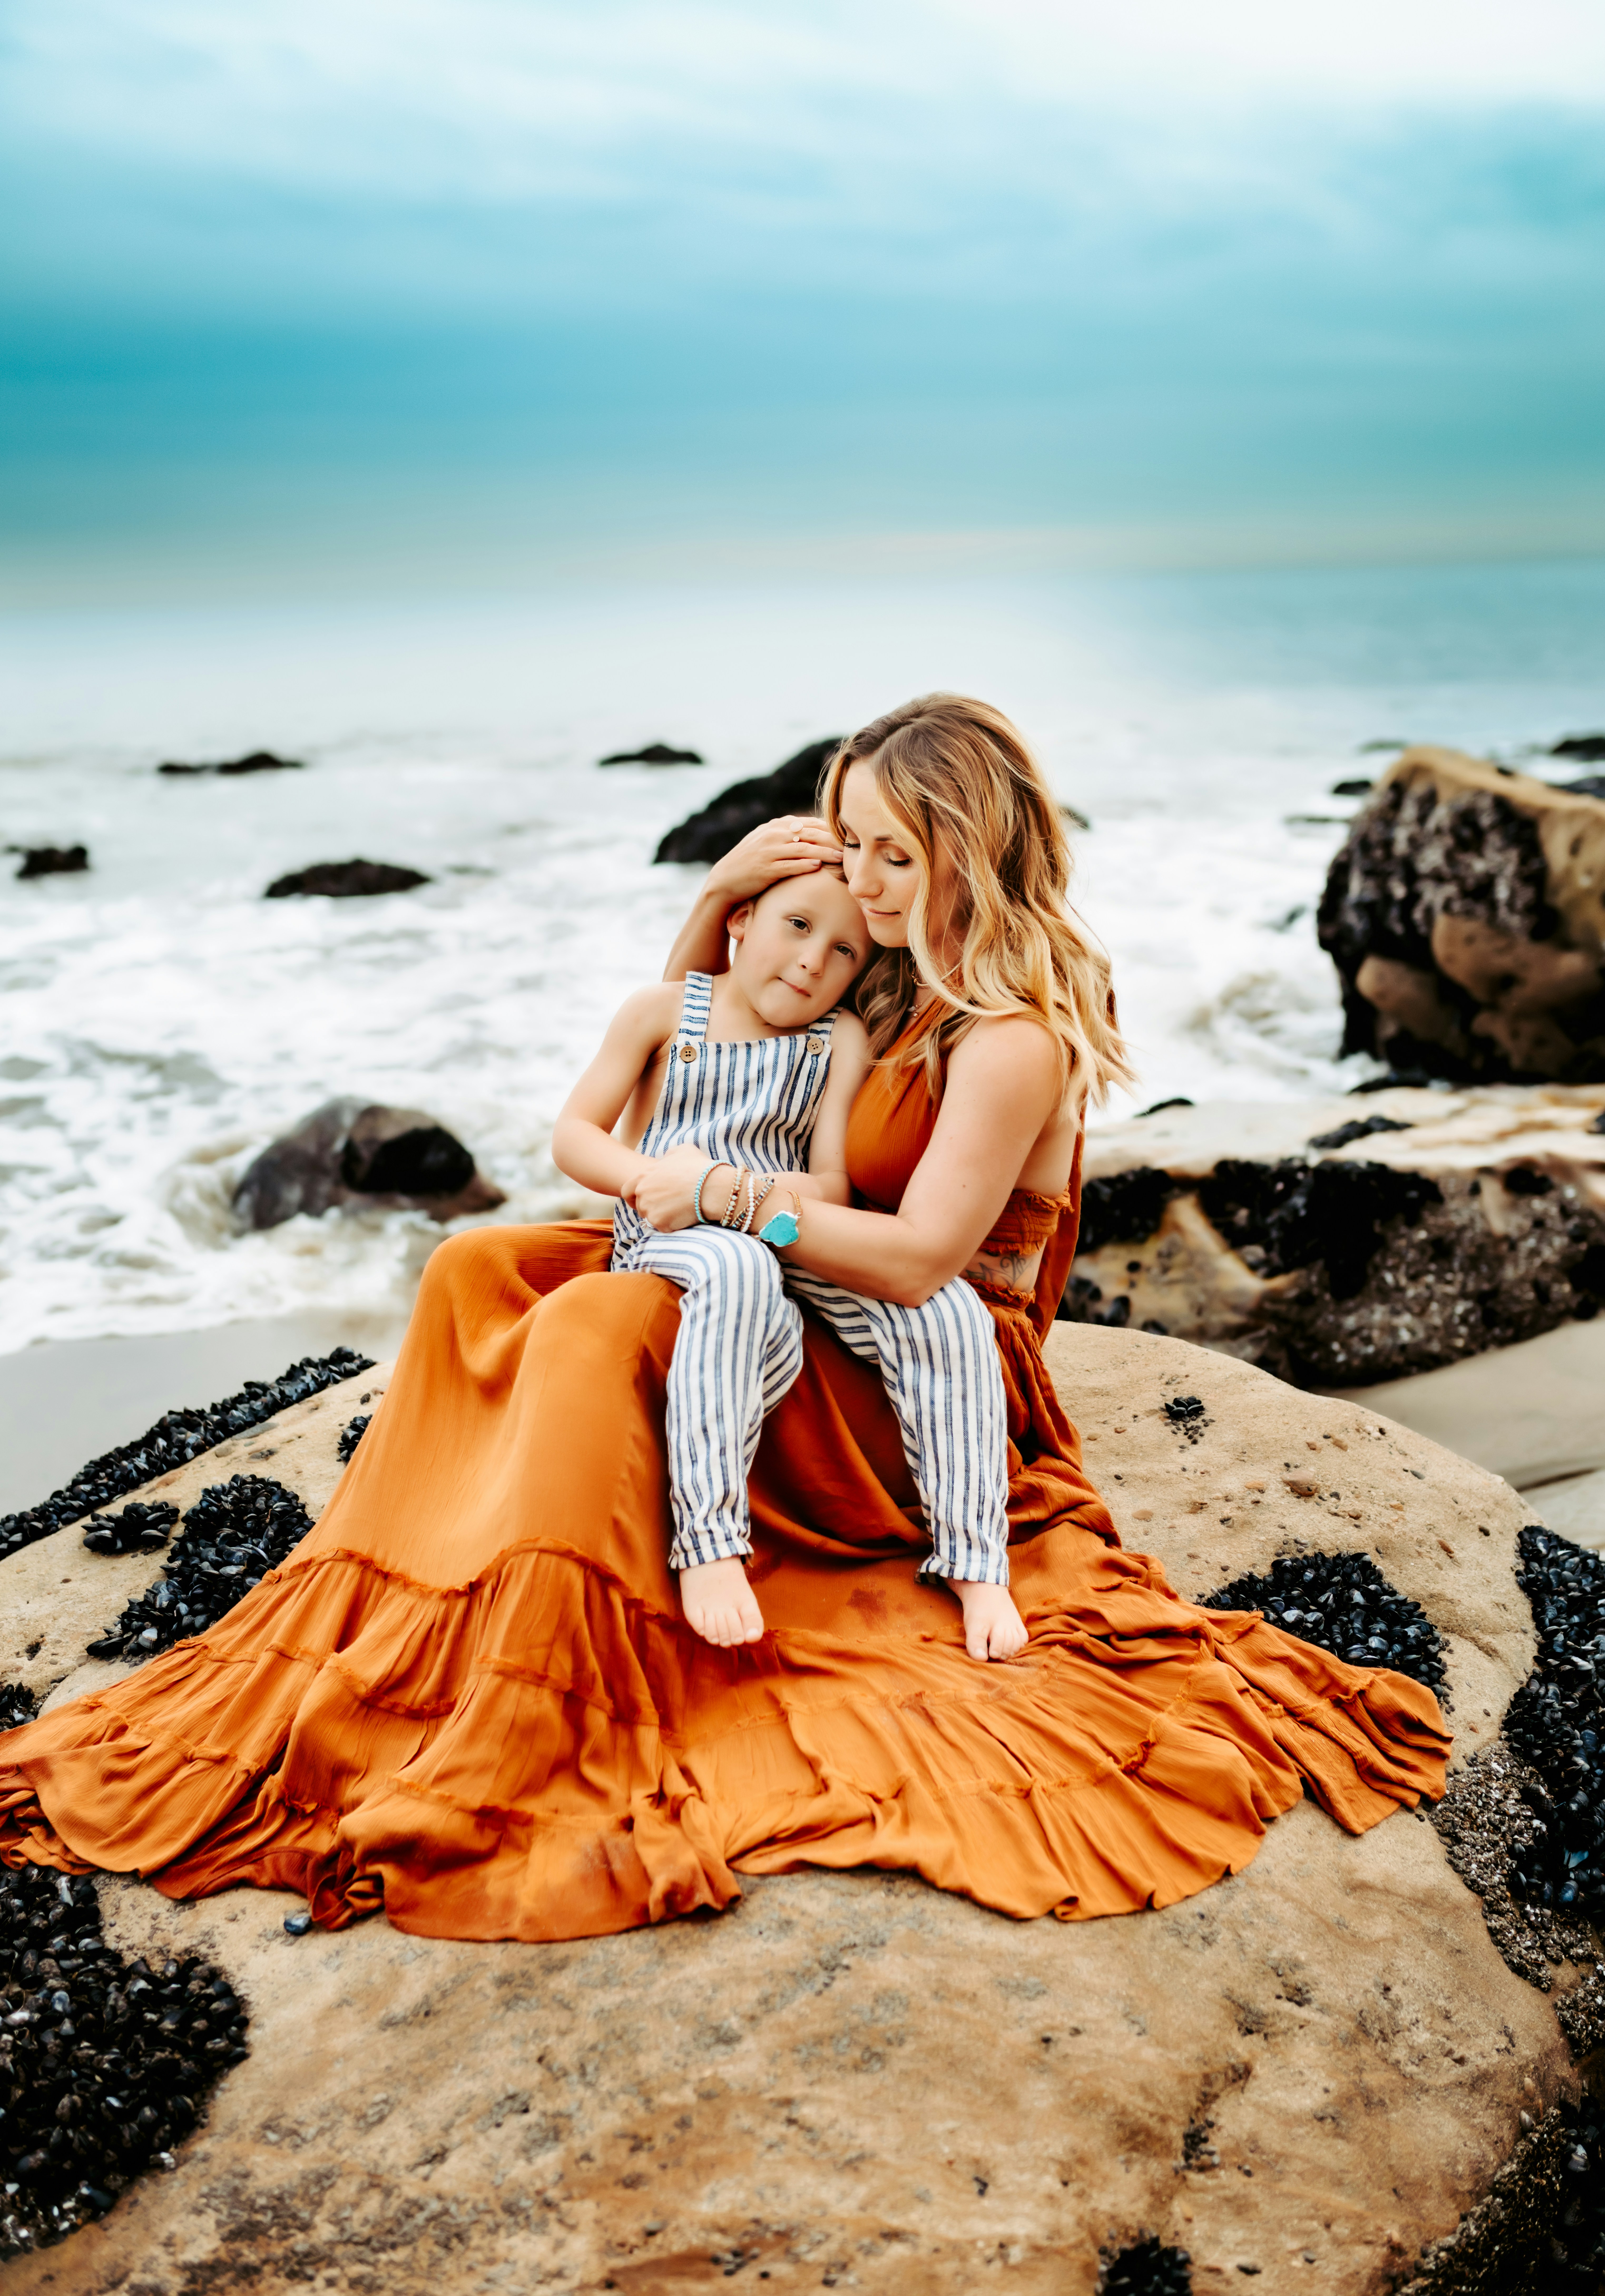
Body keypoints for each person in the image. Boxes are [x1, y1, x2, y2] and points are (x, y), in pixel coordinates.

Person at [0, 695, 1449, 1944]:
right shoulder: (894, 969)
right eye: (852, 844)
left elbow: (920, 1256)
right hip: (804, 1273)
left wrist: (722, 1199)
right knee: (477, 1272)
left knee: (591, 1331)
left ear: (969, 849)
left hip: (916, 1343)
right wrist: (712, 916)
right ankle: (415, 1599)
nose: (865, 881)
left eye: (895, 851)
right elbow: (721, 1026)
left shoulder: (1010, 1035)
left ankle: (547, 1674)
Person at [551, 868, 1022, 1657]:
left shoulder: (837, 1038)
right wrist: (650, 1181)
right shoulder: (663, 1010)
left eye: (843, 949)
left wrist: (727, 1192)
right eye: (797, 926)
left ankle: (976, 1560)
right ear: (740, 919)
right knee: (739, 1275)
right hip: (672, 1229)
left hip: (778, 1226)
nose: (813, 961)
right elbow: (574, 1133)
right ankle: (709, 1543)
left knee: (945, 1310)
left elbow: (831, 1184)